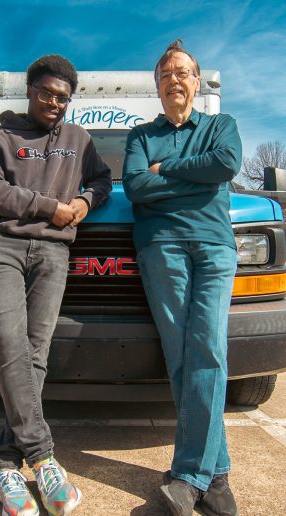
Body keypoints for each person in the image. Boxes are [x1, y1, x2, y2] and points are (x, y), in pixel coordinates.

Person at [0, 54, 111, 516]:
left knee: (35, 353)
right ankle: (44, 457)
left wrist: (86, 202)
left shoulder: (79, 140)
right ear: (30, 91)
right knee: (9, 346)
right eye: (47, 93)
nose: (55, 102)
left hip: (53, 254)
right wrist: (49, 207)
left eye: (63, 97)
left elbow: (102, 179)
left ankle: (6, 464)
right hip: (1, 248)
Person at [123, 40, 241, 516]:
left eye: (184, 72)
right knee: (180, 358)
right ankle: (218, 477)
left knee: (208, 349)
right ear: (158, 85)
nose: (175, 79)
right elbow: (135, 186)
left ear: (197, 82)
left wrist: (166, 171)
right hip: (161, 248)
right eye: (167, 74)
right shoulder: (140, 135)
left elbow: (226, 164)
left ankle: (189, 475)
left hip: (215, 246)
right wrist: (195, 180)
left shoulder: (221, 126)